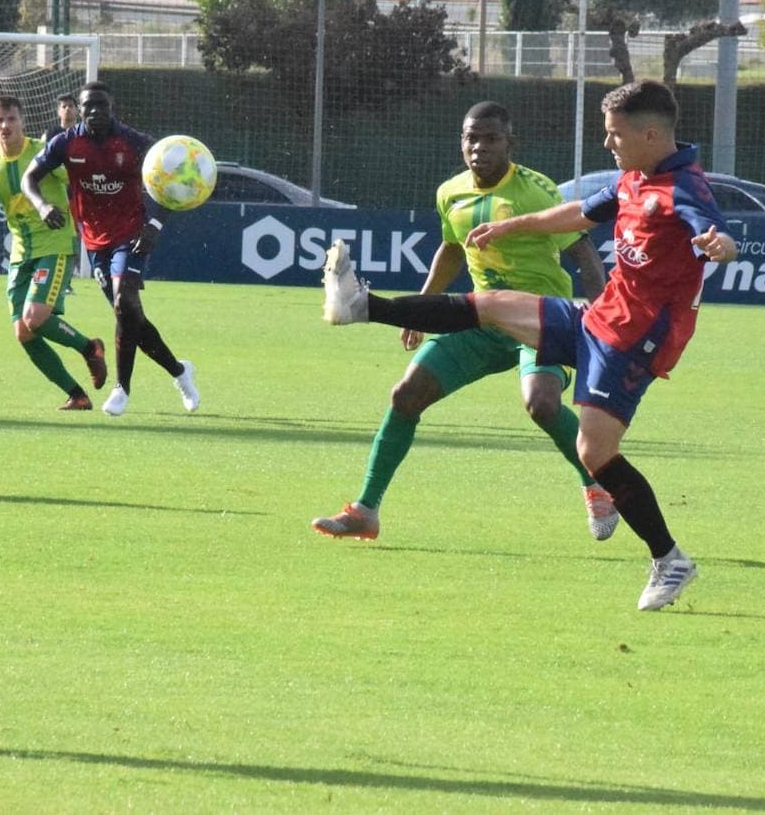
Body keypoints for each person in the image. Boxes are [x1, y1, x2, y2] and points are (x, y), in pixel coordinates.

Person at [321, 79, 739, 611]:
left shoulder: (684, 188)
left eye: (614, 135)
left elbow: (719, 235)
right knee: (489, 306)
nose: (608, 145)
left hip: (635, 341)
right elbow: (576, 215)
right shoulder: (634, 178)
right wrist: (509, 226)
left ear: (651, 133)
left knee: (595, 451)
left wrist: (718, 246)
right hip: (599, 316)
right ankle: (362, 305)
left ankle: (669, 558)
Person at [312, 101, 616, 542]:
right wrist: (423, 306)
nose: (479, 147)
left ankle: (596, 484)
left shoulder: (536, 192)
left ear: (511, 143)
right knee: (406, 395)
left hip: (540, 320)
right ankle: (366, 509)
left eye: (491, 138)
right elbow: (452, 249)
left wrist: (604, 323)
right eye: (471, 138)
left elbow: (584, 255)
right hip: (480, 321)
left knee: (543, 404)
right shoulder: (450, 192)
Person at [23, 80, 199, 417]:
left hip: (131, 236)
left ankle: (122, 388)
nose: (95, 111)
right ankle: (179, 371)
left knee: (122, 302)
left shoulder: (133, 142)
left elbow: (170, 185)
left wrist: (155, 225)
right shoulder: (66, 142)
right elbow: (29, 178)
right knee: (130, 316)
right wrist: (42, 206)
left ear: (111, 107)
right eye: (88, 105)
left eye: (101, 105)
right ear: (79, 107)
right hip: (94, 241)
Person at [0, 94, 108, 411]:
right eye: (0, 120)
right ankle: (77, 394)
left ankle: (89, 348)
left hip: (54, 245)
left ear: (22, 122)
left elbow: (78, 182)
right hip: (21, 253)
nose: (5, 125)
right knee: (23, 333)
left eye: (11, 119)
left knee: (35, 317)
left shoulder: (43, 153)